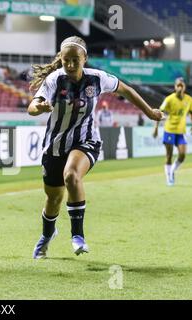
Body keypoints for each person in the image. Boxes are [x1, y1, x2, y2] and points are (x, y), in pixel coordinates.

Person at [27, 36, 163, 259]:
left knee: (71, 175)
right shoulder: (54, 79)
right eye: (66, 60)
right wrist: (39, 107)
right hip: (55, 145)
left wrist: (150, 113)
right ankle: (47, 235)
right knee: (53, 198)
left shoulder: (97, 79)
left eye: (75, 60)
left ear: (85, 59)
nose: (70, 65)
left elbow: (126, 90)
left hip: (86, 140)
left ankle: (77, 236)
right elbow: (32, 106)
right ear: (61, 59)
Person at [153, 77, 192, 186]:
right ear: (175, 87)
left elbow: (191, 112)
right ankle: (169, 177)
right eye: (178, 85)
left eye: (182, 85)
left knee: (182, 155)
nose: (180, 87)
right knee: (169, 156)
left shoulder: (189, 99)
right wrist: (156, 128)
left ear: (184, 87)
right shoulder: (169, 99)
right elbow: (159, 112)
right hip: (169, 130)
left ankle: (172, 170)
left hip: (181, 131)